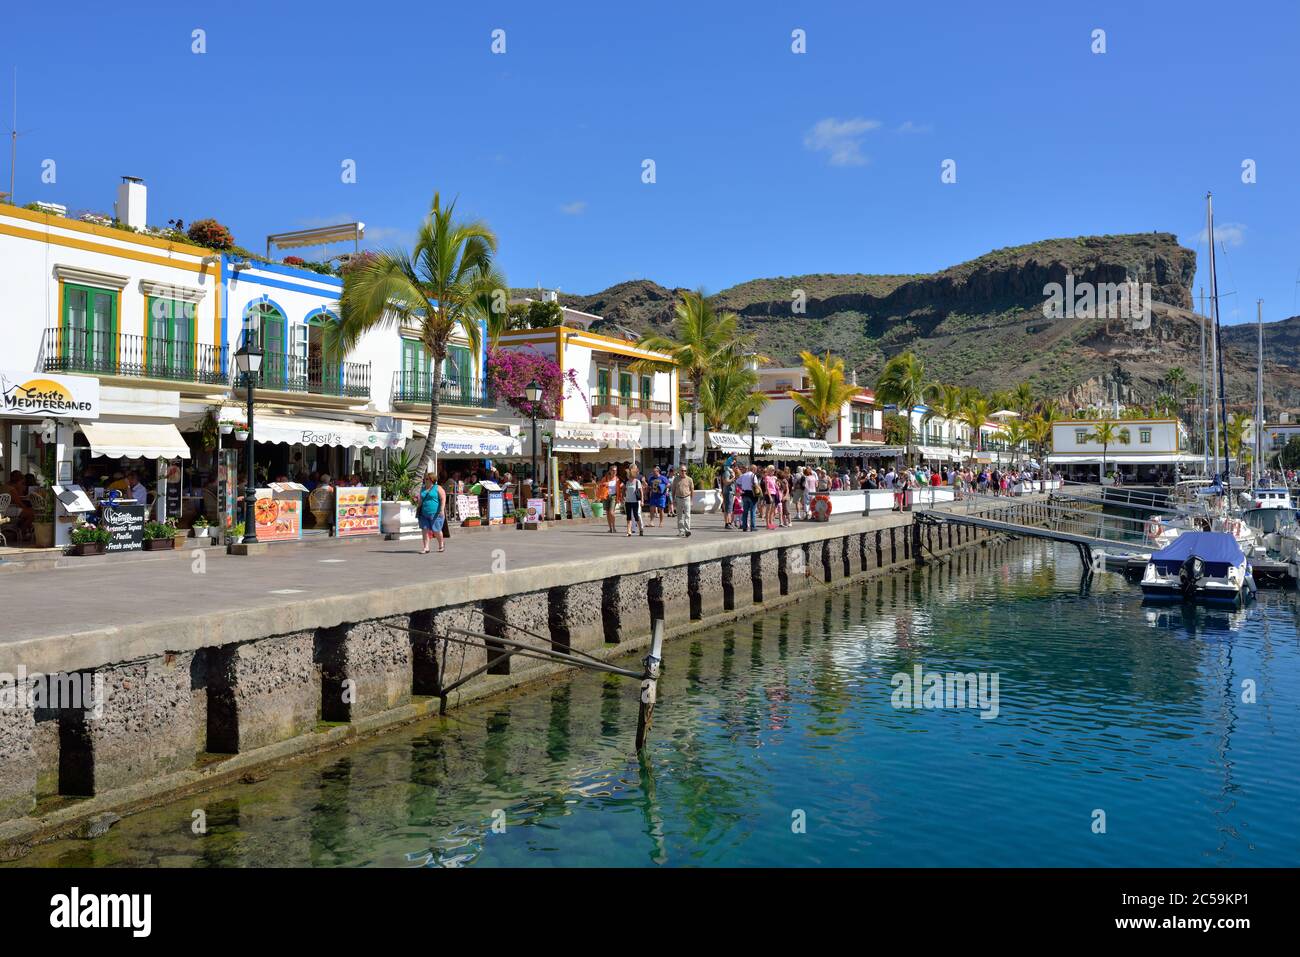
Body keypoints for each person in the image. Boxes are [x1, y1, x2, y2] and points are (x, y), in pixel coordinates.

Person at [417, 472, 445, 553]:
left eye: (427, 479)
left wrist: (442, 509)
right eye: (424, 479)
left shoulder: (437, 488)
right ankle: (426, 547)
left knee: (436, 530)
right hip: (424, 513)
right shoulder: (423, 488)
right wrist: (418, 508)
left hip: (435, 513)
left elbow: (443, 498)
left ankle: (441, 545)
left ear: (432, 480)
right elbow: (421, 500)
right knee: (425, 530)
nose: (425, 480)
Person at [671, 465, 694, 537]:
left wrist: (691, 500)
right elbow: (673, 490)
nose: (683, 472)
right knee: (679, 516)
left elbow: (692, 490)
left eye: (685, 470)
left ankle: (687, 530)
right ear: (679, 471)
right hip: (678, 498)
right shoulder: (676, 479)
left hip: (687, 498)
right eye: (682, 470)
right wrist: (673, 499)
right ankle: (681, 531)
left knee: (687, 515)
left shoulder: (689, 479)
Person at [623, 465, 646, 536]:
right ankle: (628, 531)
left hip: (635, 501)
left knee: (636, 516)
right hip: (628, 501)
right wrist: (623, 497)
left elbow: (641, 492)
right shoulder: (627, 482)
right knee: (628, 517)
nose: (628, 476)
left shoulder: (637, 482)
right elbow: (624, 490)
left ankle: (641, 529)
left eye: (629, 475)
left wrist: (642, 501)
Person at [736, 463, 758, 531]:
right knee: (752, 511)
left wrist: (741, 488)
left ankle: (744, 526)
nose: (756, 471)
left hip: (744, 494)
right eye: (756, 469)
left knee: (745, 511)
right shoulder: (753, 475)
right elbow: (756, 485)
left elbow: (737, 482)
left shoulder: (743, 475)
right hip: (752, 494)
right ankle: (753, 527)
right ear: (753, 469)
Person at [599, 466, 620, 533]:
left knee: (611, 512)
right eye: (613, 470)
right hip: (606, 496)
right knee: (608, 513)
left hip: (613, 497)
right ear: (610, 471)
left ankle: (614, 527)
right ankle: (610, 528)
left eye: (616, 471)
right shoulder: (605, 478)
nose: (615, 472)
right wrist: (605, 484)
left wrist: (619, 498)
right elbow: (600, 485)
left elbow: (619, 488)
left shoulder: (617, 479)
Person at [721, 459, 737, 530]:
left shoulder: (730, 472)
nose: (735, 467)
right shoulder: (727, 473)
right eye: (734, 466)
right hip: (728, 492)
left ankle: (729, 522)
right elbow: (726, 482)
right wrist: (733, 478)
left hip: (730, 492)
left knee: (729, 508)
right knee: (728, 509)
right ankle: (727, 523)